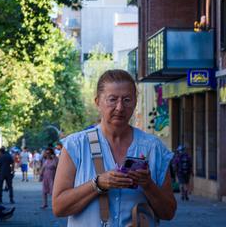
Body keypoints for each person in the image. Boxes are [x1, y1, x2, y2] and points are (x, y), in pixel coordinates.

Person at [52, 69, 176, 225]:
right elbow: (58, 208)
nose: (120, 107)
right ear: (97, 102)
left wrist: (148, 184)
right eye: (112, 99)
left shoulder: (153, 148)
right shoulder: (76, 145)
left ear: (135, 103)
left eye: (127, 100)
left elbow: (168, 212)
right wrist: (97, 184)